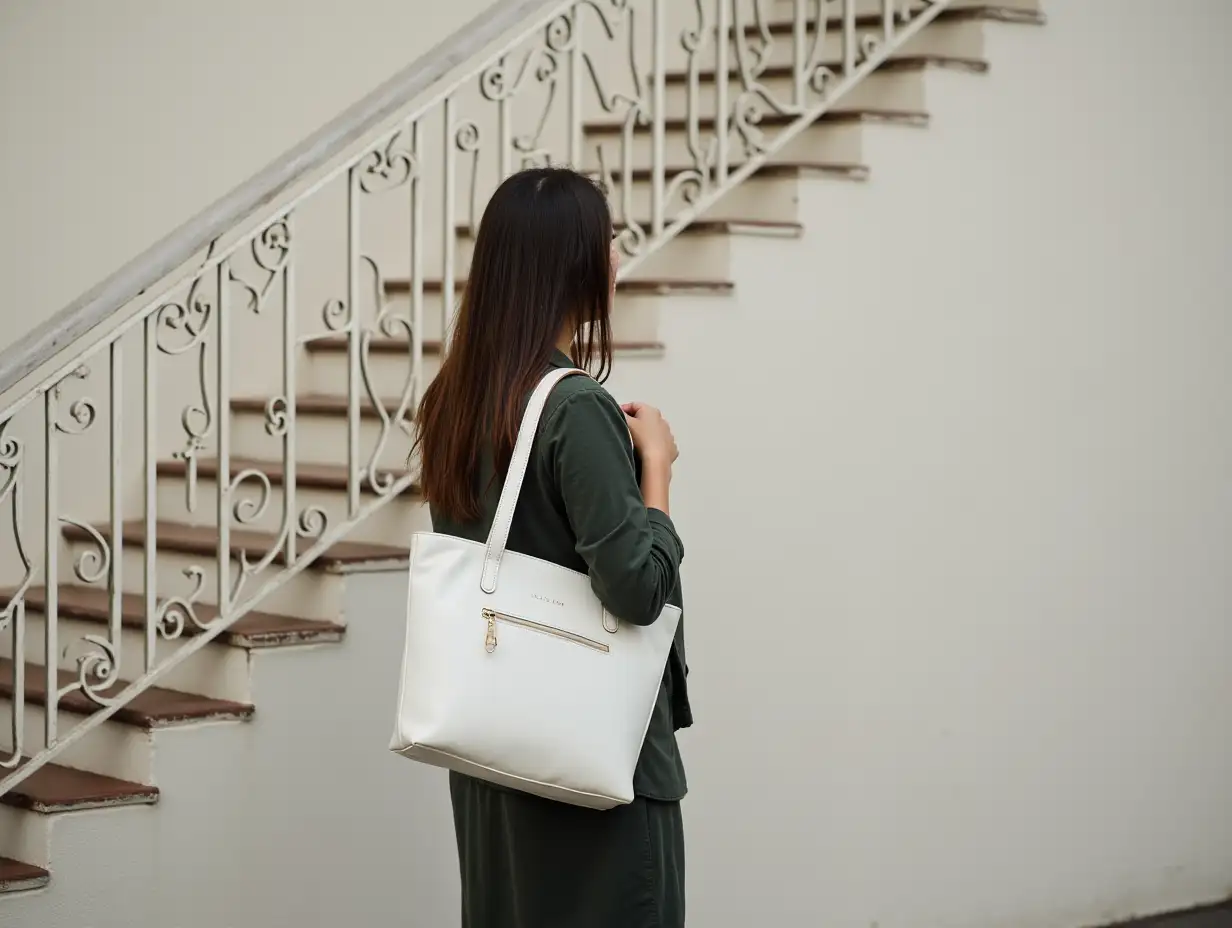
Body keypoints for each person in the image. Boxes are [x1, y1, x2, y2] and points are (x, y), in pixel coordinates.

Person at [411, 165, 692, 927]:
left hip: (497, 758)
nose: (613, 258)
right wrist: (657, 469)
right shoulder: (575, 408)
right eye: (605, 242)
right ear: (572, 264)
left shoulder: (456, 400)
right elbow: (636, 588)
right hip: (593, 769)